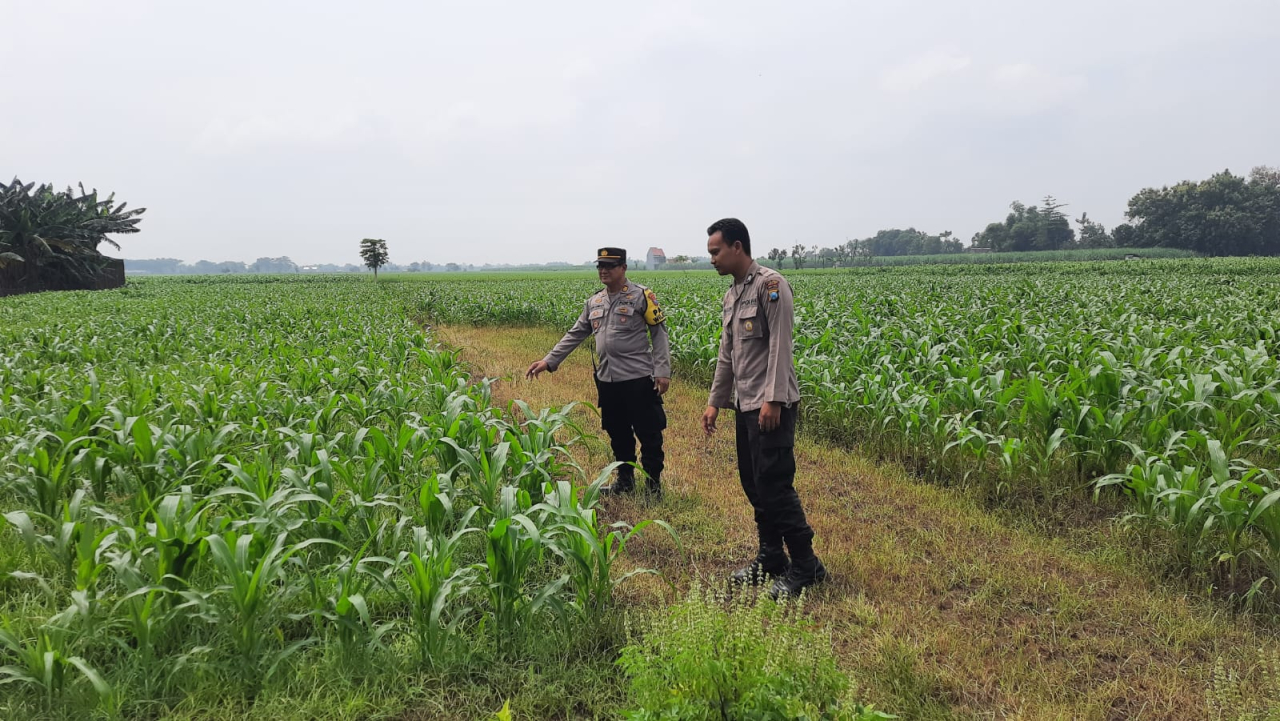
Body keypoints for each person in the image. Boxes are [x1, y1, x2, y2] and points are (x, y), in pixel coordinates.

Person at [700, 218, 826, 599]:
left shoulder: (771, 287)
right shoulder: (732, 294)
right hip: (745, 404)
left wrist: (772, 399)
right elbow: (728, 355)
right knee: (754, 483)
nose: (712, 260)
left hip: (771, 404)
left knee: (775, 484)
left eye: (715, 251)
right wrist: (714, 402)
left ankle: (806, 566)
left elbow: (780, 348)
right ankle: (772, 557)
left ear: (737, 247)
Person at [526, 247, 671, 496]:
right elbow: (576, 333)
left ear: (623, 268)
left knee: (649, 433)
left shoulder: (641, 297)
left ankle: (653, 485)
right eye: (600, 266)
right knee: (618, 433)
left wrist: (662, 371)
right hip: (608, 380)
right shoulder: (594, 301)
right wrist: (549, 361)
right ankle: (625, 481)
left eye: (609, 266)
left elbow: (659, 335)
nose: (603, 270)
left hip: (638, 379)